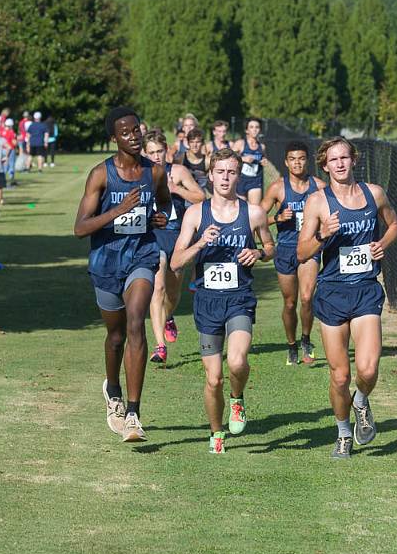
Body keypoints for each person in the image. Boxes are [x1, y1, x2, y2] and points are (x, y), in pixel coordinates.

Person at [297, 137, 397, 459]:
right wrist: (322, 235)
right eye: (333, 159)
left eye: (345, 157)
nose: (340, 164)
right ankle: (343, 432)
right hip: (332, 293)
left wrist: (383, 243)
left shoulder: (374, 193)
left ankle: (361, 401)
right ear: (325, 166)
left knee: (367, 371)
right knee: (340, 375)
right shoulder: (317, 202)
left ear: (353, 160)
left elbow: (395, 223)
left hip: (366, 289)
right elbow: (302, 253)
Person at [73, 106, 171, 443]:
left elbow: (166, 204)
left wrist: (160, 218)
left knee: (135, 323)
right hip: (106, 263)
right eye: (125, 132)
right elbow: (80, 228)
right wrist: (118, 211)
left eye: (137, 130)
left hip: (141, 256)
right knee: (115, 337)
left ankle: (133, 414)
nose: (134, 136)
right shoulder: (100, 175)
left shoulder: (155, 173)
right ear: (114, 139)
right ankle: (112, 390)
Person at [171, 148, 275, 454]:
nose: (226, 178)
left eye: (232, 172)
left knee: (237, 360)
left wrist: (258, 253)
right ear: (210, 175)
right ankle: (216, 432)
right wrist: (201, 242)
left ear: (238, 175)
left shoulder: (252, 213)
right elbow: (176, 261)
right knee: (213, 378)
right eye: (220, 172)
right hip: (206, 302)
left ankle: (238, 398)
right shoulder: (195, 214)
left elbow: (271, 247)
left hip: (239, 298)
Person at [142, 132, 206, 364]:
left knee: (173, 290)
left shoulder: (177, 172)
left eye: (159, 151)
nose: (156, 156)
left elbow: (200, 196)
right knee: (157, 287)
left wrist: (176, 189)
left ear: (166, 151)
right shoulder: (141, 174)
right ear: (144, 153)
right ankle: (159, 346)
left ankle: (168, 316)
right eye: (151, 152)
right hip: (153, 236)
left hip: (177, 237)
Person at [260, 140, 324, 365]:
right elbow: (257, 218)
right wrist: (277, 218)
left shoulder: (318, 186)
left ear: (307, 160)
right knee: (290, 302)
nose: (297, 163)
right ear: (286, 162)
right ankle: (291, 345)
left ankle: (306, 340)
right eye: (293, 159)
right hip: (285, 249)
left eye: (301, 158)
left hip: (309, 248)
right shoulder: (278, 187)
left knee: (307, 298)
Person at [232, 116, 268, 204]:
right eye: (251, 127)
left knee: (254, 209)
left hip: (255, 180)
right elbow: (229, 158)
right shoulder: (240, 144)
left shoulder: (262, 146)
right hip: (241, 179)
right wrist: (243, 159)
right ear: (246, 130)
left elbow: (263, 158)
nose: (255, 130)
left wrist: (264, 161)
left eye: (257, 127)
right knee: (240, 209)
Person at [177, 126, 209, 195]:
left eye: (198, 142)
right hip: (185, 196)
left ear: (202, 143)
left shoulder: (207, 161)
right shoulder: (181, 158)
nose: (195, 145)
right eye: (192, 142)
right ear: (188, 143)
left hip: (201, 196)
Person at [0, 117, 19, 187]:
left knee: (3, 166)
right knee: (11, 165)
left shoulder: (1, 132)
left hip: (2, 150)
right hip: (10, 150)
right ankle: (11, 181)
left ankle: (3, 180)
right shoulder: (12, 132)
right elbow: (14, 143)